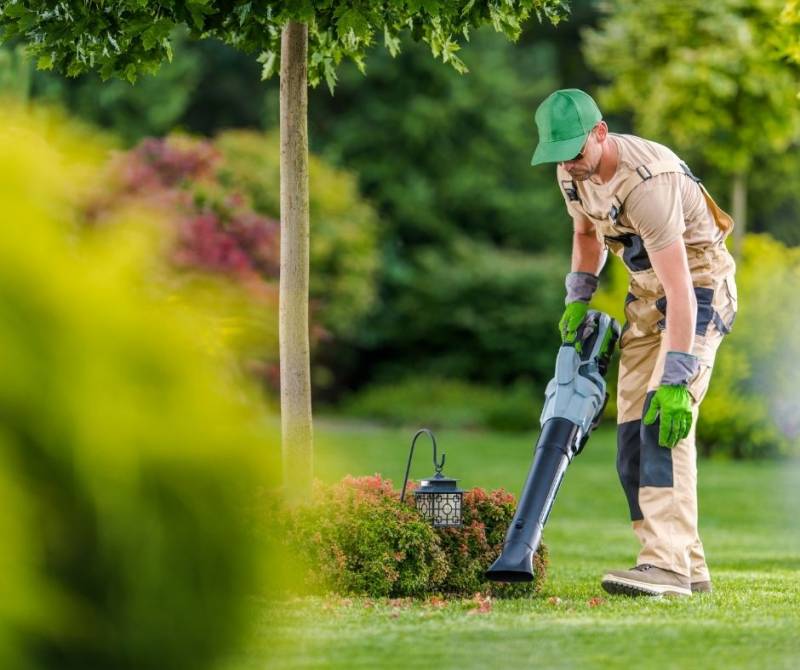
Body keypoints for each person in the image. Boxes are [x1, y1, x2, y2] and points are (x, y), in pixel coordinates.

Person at [531, 89, 738, 597]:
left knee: (662, 421)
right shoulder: (570, 170)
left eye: (577, 153)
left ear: (600, 132)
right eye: (559, 156)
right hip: (645, 295)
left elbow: (682, 290)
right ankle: (689, 567)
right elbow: (585, 236)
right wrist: (578, 297)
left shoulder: (649, 182)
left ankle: (664, 566)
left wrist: (676, 377)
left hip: (697, 288)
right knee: (630, 439)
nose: (570, 166)